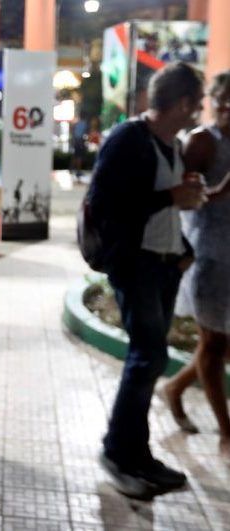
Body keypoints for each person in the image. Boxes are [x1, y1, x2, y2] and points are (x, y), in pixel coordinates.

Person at [87, 62, 207, 499]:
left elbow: (164, 209)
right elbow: (106, 208)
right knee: (147, 357)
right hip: (135, 264)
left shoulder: (171, 145)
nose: (200, 111)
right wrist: (168, 197)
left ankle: (137, 454)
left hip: (163, 264)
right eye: (197, 103)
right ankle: (118, 452)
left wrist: (182, 249)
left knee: (149, 359)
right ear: (182, 103)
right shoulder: (127, 140)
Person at [162, 71, 230, 457]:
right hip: (210, 253)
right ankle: (226, 432)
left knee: (221, 345)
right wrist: (221, 191)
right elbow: (184, 199)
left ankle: (174, 387)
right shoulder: (203, 141)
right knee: (214, 341)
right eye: (223, 100)